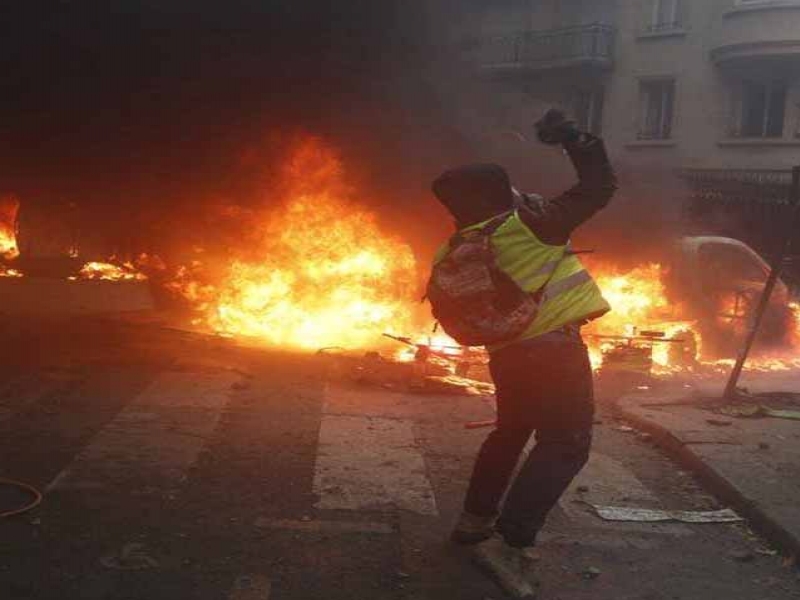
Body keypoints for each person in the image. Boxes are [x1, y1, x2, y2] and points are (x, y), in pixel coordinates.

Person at [430, 109, 617, 596]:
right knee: (567, 443)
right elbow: (598, 187)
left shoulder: (457, 245)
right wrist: (574, 139)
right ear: (501, 194)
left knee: (511, 431)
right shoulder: (533, 225)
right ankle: (510, 541)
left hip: (508, 355)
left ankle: (474, 522)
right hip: (555, 352)